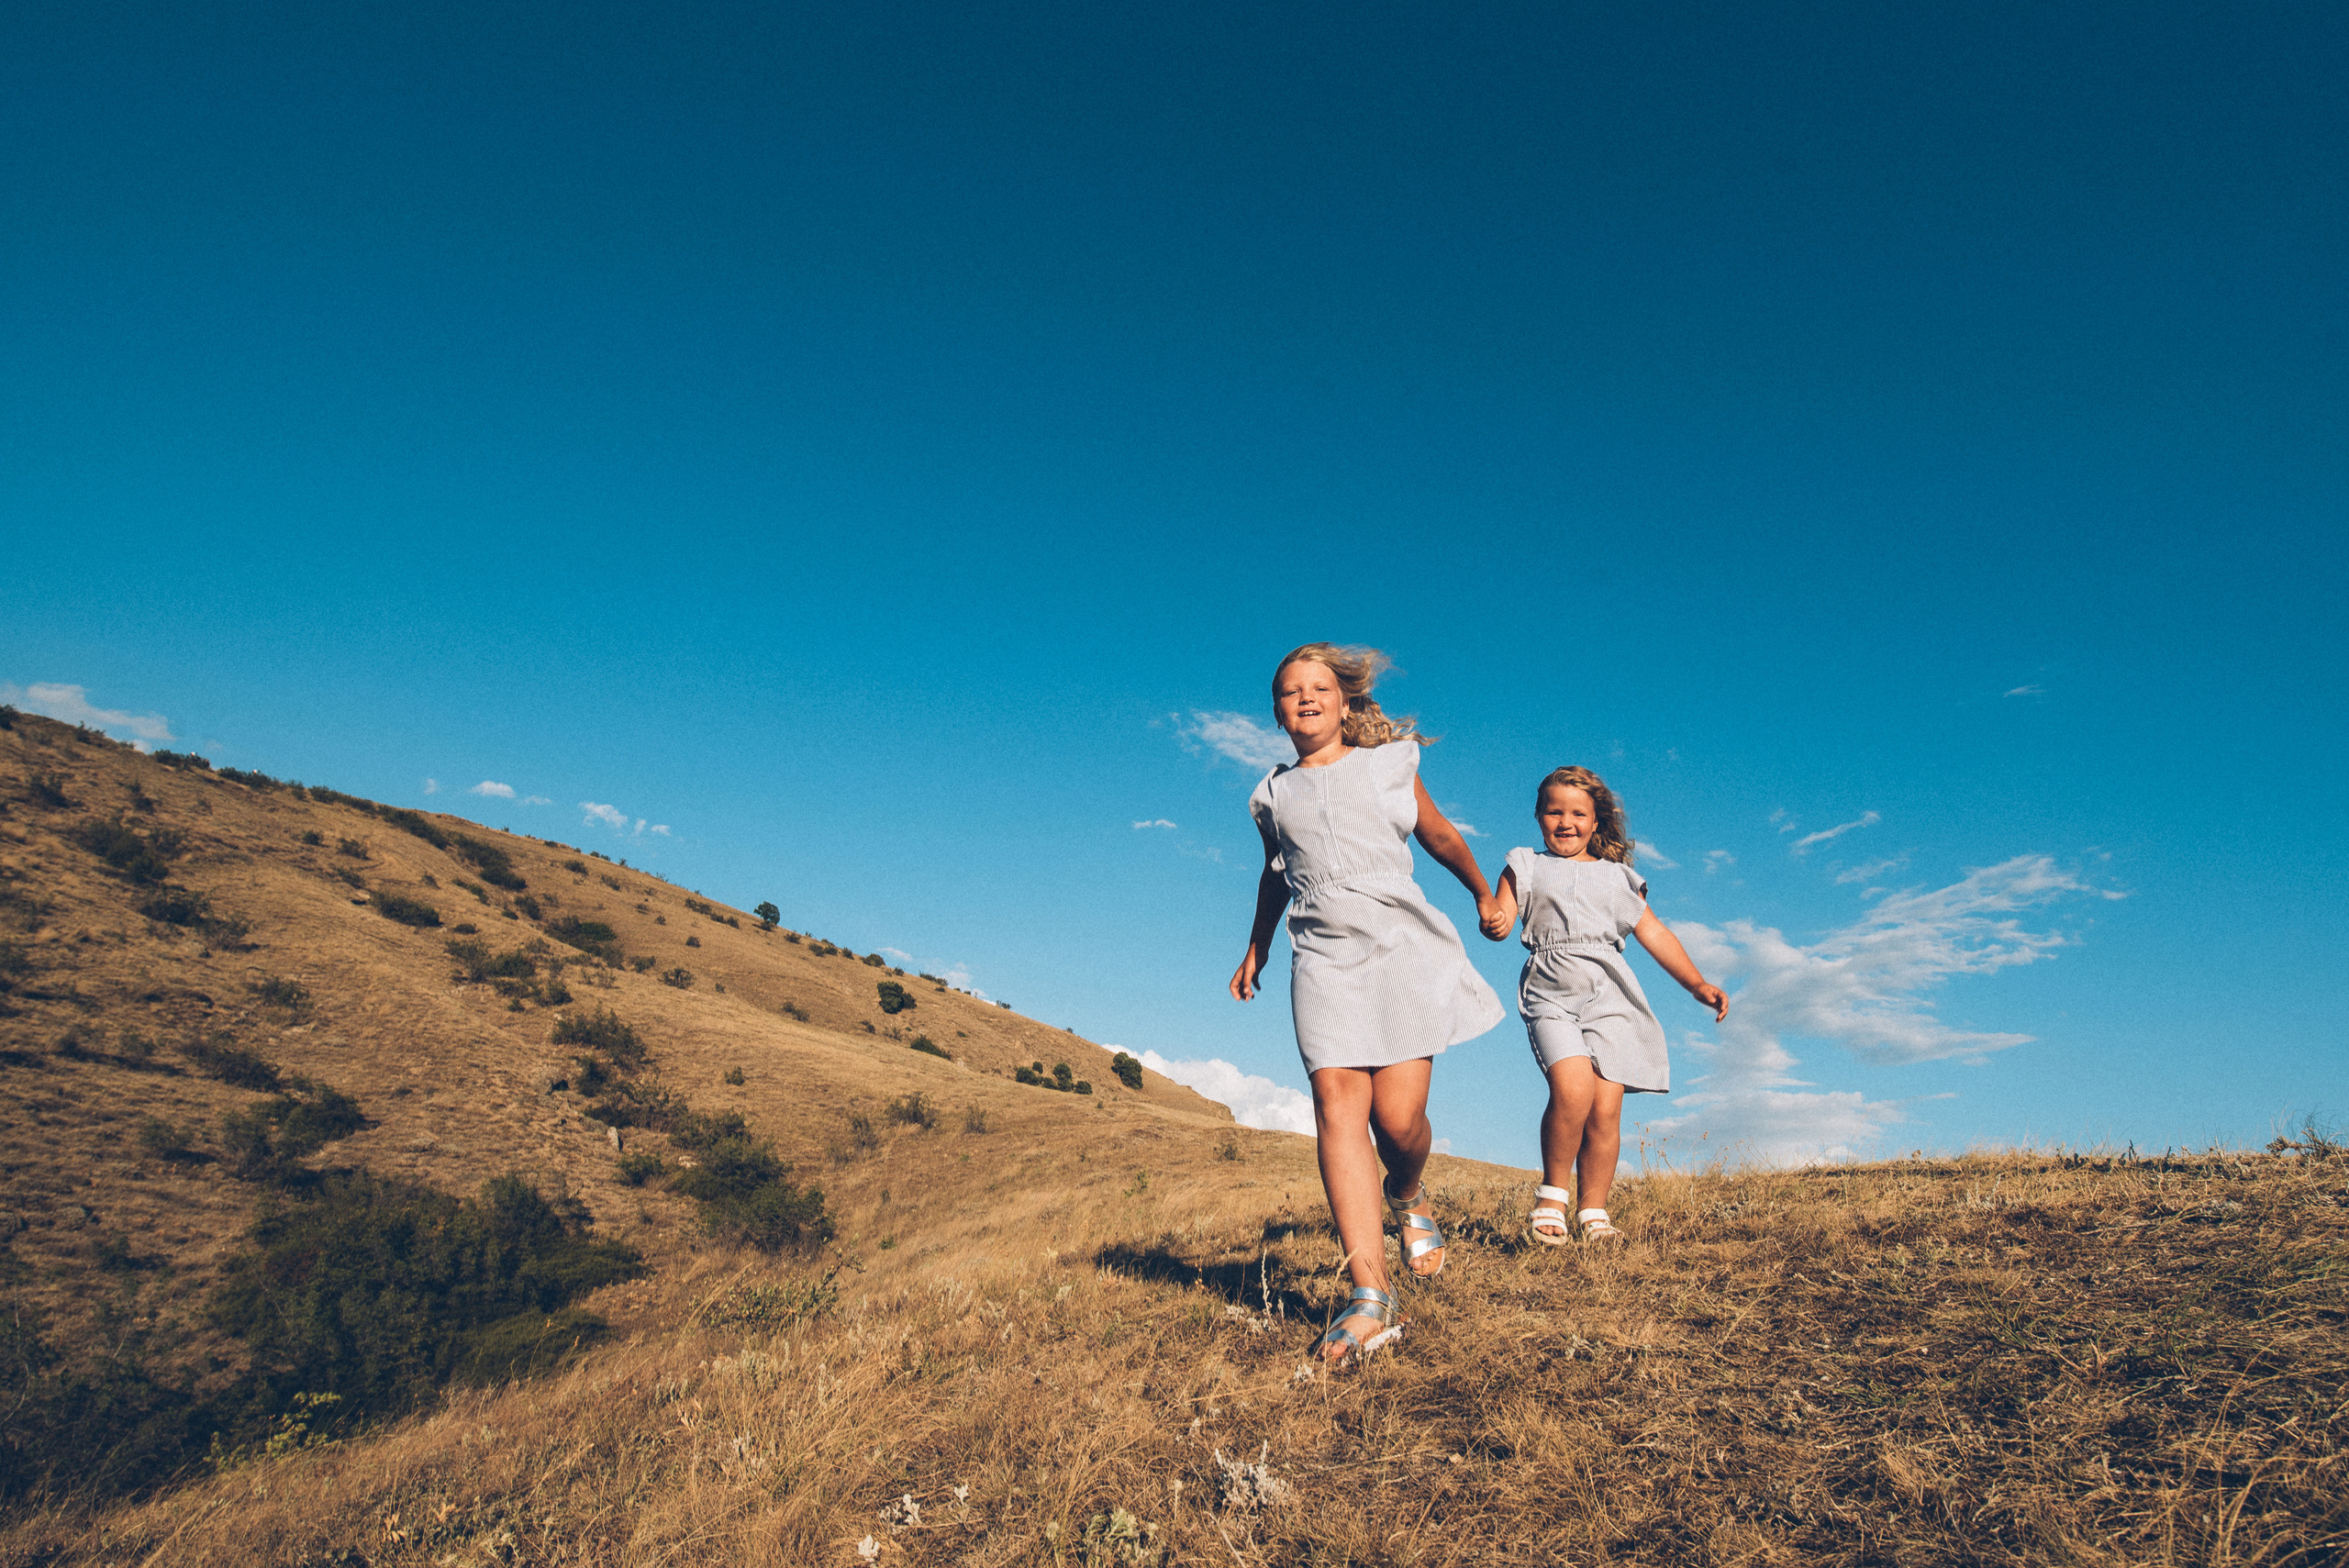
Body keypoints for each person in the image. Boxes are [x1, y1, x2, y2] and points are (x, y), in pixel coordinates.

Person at [1230, 643, 1504, 1364]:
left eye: (1320, 687)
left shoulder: (1389, 765)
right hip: (1321, 958)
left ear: (1345, 702)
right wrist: (1256, 947)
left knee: (1400, 1119)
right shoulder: (1272, 795)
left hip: (1400, 946)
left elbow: (1440, 835)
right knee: (1337, 1107)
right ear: (1278, 711)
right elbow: (1275, 877)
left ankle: (1408, 1193)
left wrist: (1482, 891)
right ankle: (1369, 1296)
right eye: (1291, 692)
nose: (1307, 699)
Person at [1479, 765, 1727, 1243]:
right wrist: (1495, 920)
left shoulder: (1619, 878)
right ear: (1538, 816)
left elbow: (1653, 933)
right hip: (1551, 992)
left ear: (1597, 822)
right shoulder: (1525, 864)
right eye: (1554, 812)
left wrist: (1696, 984)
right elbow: (1503, 915)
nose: (1565, 822)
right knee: (1572, 1089)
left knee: (1605, 1110)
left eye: (1577, 813)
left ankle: (1594, 1212)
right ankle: (1553, 1196)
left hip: (1611, 997)